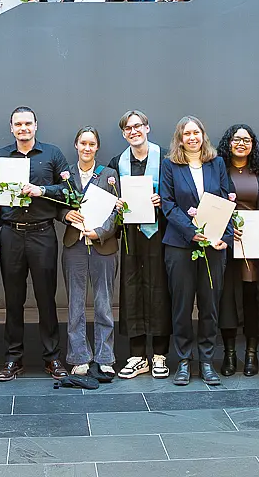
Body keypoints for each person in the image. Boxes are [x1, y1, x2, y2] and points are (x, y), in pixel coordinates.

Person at [0, 106, 72, 381]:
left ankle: (52, 358)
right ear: (11, 128)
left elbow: (68, 190)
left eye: (28, 124)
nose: (23, 128)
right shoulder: (0, 156)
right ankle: (13, 358)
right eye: (18, 124)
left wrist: (42, 190)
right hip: (10, 234)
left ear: (36, 126)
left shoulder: (52, 154)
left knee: (47, 298)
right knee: (13, 299)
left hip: (42, 233)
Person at [160, 116, 234, 386]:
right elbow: (167, 204)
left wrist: (224, 237)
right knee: (181, 307)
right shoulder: (170, 165)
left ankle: (206, 361)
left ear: (203, 135)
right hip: (180, 246)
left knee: (210, 306)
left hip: (213, 247)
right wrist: (192, 232)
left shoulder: (217, 163)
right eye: (186, 134)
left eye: (196, 133)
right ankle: (182, 361)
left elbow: (227, 200)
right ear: (179, 138)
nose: (192, 137)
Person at [109, 110, 172, 379]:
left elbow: (176, 193)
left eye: (138, 126)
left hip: (159, 233)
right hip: (132, 235)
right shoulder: (117, 163)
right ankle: (136, 356)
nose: (133, 131)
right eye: (128, 128)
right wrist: (117, 202)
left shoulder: (166, 160)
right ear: (124, 134)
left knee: (160, 290)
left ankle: (159, 355)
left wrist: (162, 200)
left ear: (148, 127)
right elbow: (111, 197)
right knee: (131, 290)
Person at [56, 127, 121, 380]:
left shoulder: (109, 174)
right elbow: (56, 205)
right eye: (83, 143)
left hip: (103, 245)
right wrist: (64, 215)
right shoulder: (66, 175)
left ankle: (105, 358)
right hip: (74, 245)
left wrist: (101, 232)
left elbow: (118, 210)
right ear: (76, 145)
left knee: (104, 303)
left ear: (97, 147)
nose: (87, 147)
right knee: (75, 304)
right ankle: (79, 357)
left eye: (92, 144)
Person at [216, 123, 259, 378]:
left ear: (253, 145)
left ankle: (251, 354)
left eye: (247, 140)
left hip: (255, 248)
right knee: (227, 301)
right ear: (228, 143)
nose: (241, 143)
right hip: (228, 246)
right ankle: (230, 355)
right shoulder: (218, 171)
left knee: (253, 300)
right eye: (236, 139)